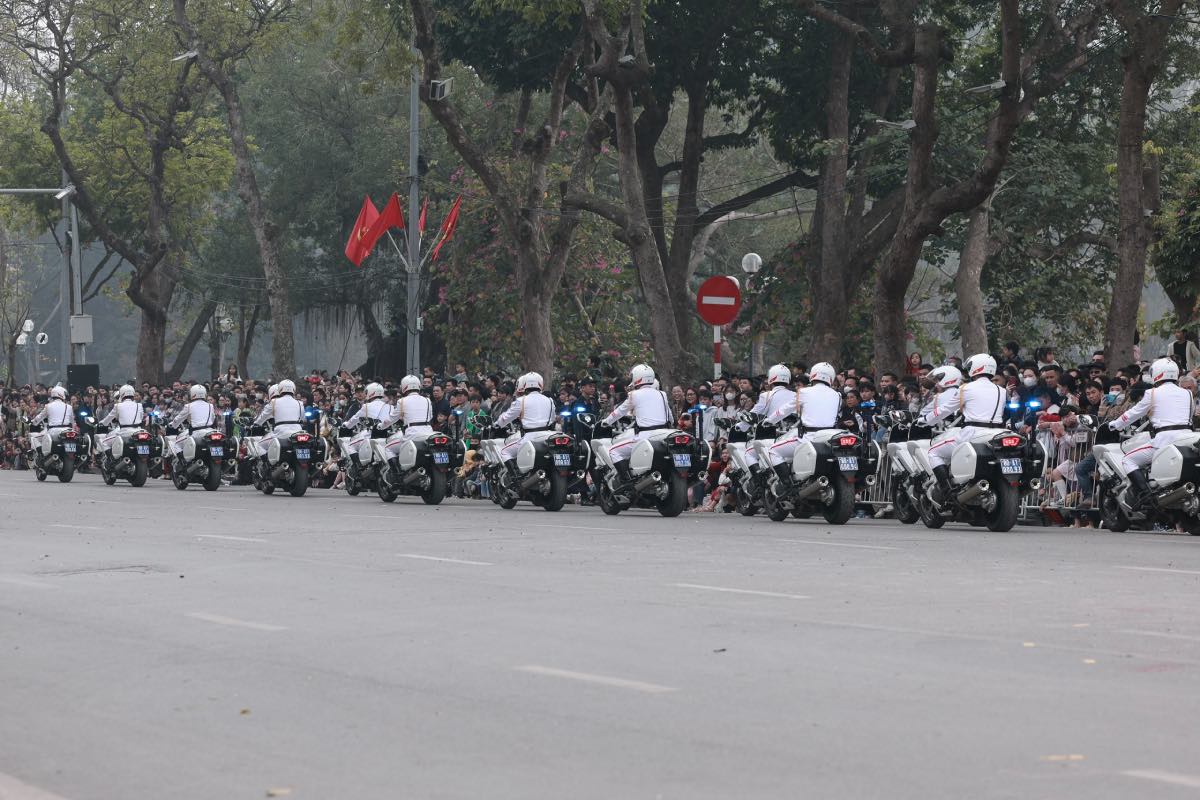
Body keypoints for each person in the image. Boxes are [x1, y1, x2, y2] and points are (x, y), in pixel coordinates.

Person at [1108, 357, 1195, 507]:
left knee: (1128, 460)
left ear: (1158, 374)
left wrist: (1115, 424)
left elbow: (1133, 413)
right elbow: (1190, 415)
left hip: (1164, 439)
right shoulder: (1187, 393)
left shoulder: (1152, 393)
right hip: (1187, 437)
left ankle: (1145, 495)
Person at [927, 354, 1007, 503]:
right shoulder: (1001, 390)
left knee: (933, 452)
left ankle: (946, 491)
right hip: (997, 432)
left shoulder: (966, 388)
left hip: (973, 432)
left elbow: (946, 409)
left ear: (976, 368)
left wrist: (927, 419)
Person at [764, 362, 841, 486]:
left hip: (809, 438)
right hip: (829, 438)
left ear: (813, 375)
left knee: (773, 451)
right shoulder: (837, 395)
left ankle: (786, 485)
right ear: (831, 377)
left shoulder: (804, 392)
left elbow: (785, 410)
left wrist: (769, 420)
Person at [601, 364, 671, 480]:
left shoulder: (634, 394)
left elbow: (619, 412)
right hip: (663, 435)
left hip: (646, 436)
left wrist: (606, 422)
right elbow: (670, 417)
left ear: (637, 377)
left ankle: (627, 481)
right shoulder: (662, 394)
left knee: (614, 451)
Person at [738, 364, 794, 475]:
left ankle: (762, 482)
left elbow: (754, 413)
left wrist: (740, 427)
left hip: (775, 435)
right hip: (794, 434)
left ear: (771, 379)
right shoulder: (797, 394)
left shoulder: (767, 395)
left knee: (749, 454)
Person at [495, 372, 557, 466]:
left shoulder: (521, 400)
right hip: (547, 436)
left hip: (530, 437)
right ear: (541, 384)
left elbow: (505, 418)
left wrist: (497, 423)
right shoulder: (549, 400)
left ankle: (514, 479)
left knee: (504, 452)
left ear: (524, 385)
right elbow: (552, 418)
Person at [252, 379, 305, 471]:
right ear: (294, 389)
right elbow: (303, 419)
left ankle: (267, 467)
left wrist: (255, 424)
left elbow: (261, 419)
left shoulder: (274, 402)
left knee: (258, 445)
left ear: (280, 389)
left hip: (280, 434)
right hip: (298, 433)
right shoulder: (300, 403)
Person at [97, 384, 146, 456]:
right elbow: (141, 418)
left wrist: (100, 423)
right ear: (133, 393)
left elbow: (107, 420)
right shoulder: (139, 405)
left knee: (103, 442)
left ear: (121, 394)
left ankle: (112, 459)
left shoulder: (118, 406)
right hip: (138, 432)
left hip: (124, 433)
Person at [169, 384, 216, 457]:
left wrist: (173, 425)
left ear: (192, 394)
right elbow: (212, 419)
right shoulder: (210, 405)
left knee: (176, 444)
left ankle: (183, 463)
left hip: (196, 433)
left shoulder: (189, 406)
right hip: (210, 431)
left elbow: (178, 418)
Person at [29, 385, 73, 458]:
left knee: (34, 438)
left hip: (53, 431)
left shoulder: (48, 406)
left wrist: (33, 422)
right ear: (61, 394)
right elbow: (72, 422)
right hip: (68, 431)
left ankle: (41, 456)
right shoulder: (69, 407)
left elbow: (39, 418)